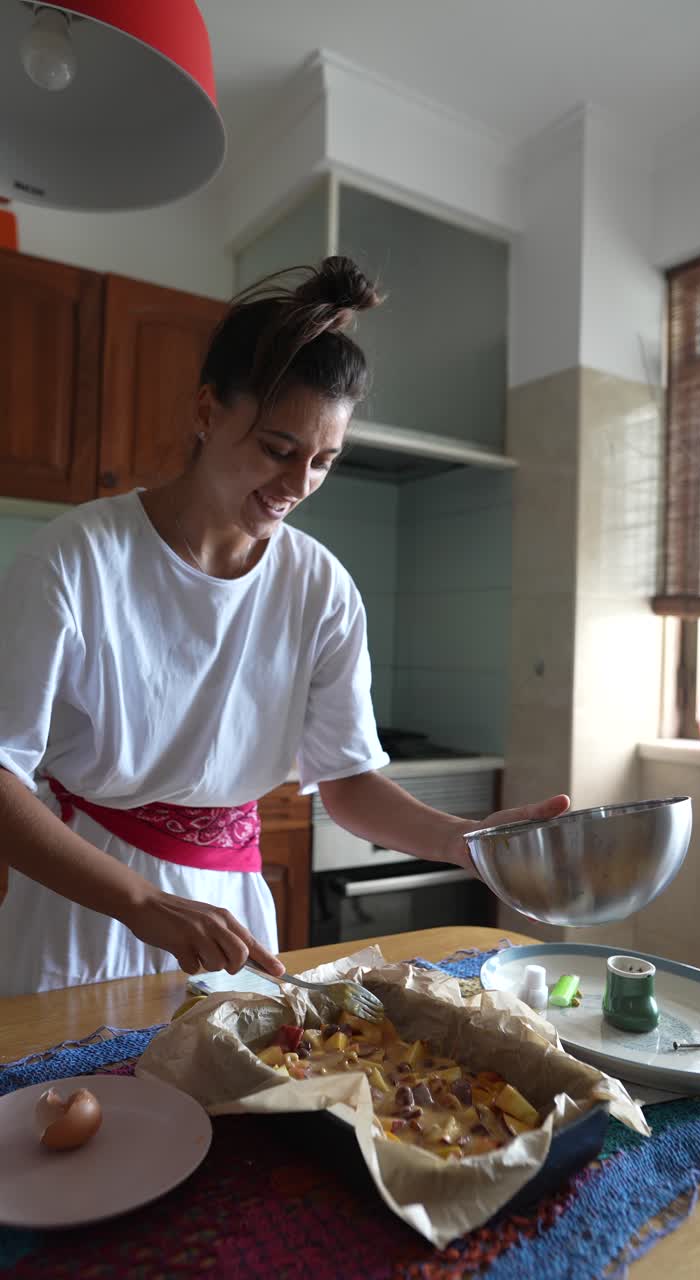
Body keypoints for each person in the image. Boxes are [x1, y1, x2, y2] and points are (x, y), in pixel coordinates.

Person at [0, 257, 569, 997]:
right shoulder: (74, 560)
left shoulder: (321, 588)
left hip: (232, 919)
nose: (298, 485)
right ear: (207, 412)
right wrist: (141, 903)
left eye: (324, 461)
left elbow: (349, 784)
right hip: (86, 911)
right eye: (279, 449)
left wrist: (477, 845)